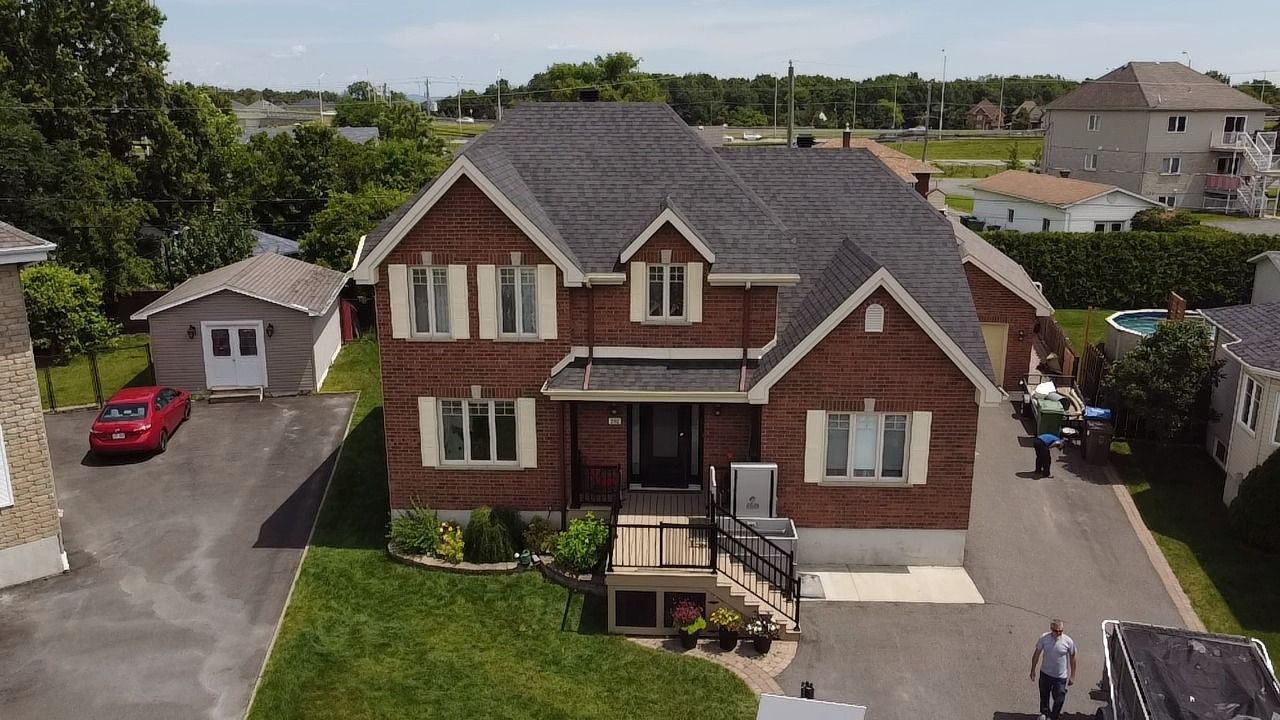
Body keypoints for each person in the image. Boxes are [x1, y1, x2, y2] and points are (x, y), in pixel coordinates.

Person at [1029, 619, 1077, 720]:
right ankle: (1044, 713)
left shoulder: (1068, 641)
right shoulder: (1044, 638)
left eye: (1061, 631)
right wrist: (1033, 669)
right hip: (1045, 673)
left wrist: (1072, 675)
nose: (1059, 633)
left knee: (1059, 699)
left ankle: (1053, 716)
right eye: (1056, 631)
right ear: (1051, 629)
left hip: (1060, 677)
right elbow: (1036, 654)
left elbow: (1073, 658)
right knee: (1044, 695)